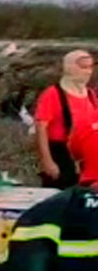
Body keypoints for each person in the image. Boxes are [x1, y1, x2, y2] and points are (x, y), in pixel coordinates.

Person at [33, 50, 97, 189]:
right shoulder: (53, 94)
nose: (88, 72)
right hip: (60, 152)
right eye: (83, 67)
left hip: (84, 155)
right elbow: (40, 128)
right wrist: (47, 161)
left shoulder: (91, 94)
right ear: (69, 67)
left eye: (90, 67)